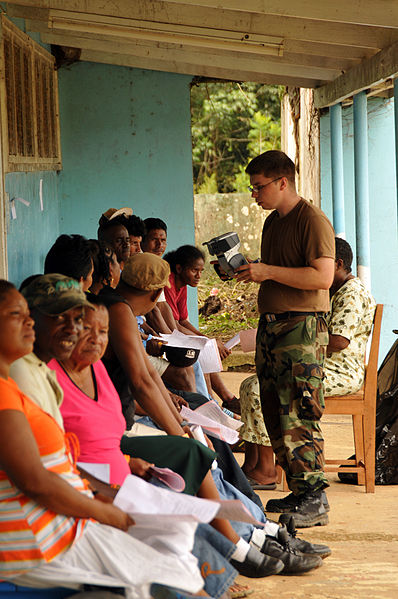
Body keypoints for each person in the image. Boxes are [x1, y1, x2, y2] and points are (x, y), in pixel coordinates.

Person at [0, 281, 207, 598]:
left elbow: (58, 464)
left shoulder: (16, 381)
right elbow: (35, 481)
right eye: (17, 315)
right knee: (170, 577)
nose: (28, 322)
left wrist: (102, 493)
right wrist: (101, 510)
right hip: (36, 539)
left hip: (60, 520)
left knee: (177, 533)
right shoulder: (8, 388)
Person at [234, 150, 335, 528]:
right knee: (276, 411)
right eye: (253, 188)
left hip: (301, 330)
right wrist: (251, 271)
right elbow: (275, 274)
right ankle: (298, 487)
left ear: (283, 182)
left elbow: (322, 278)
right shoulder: (273, 223)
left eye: (260, 187)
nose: (255, 195)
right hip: (272, 327)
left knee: (299, 411)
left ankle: (315, 496)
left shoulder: (312, 220)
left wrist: (267, 271)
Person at [323, 237, 376, 396]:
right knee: (261, 384)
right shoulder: (338, 290)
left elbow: (339, 341)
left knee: (262, 389)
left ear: (338, 264)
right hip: (325, 368)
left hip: (341, 374)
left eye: (322, 263)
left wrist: (299, 338)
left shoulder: (352, 294)